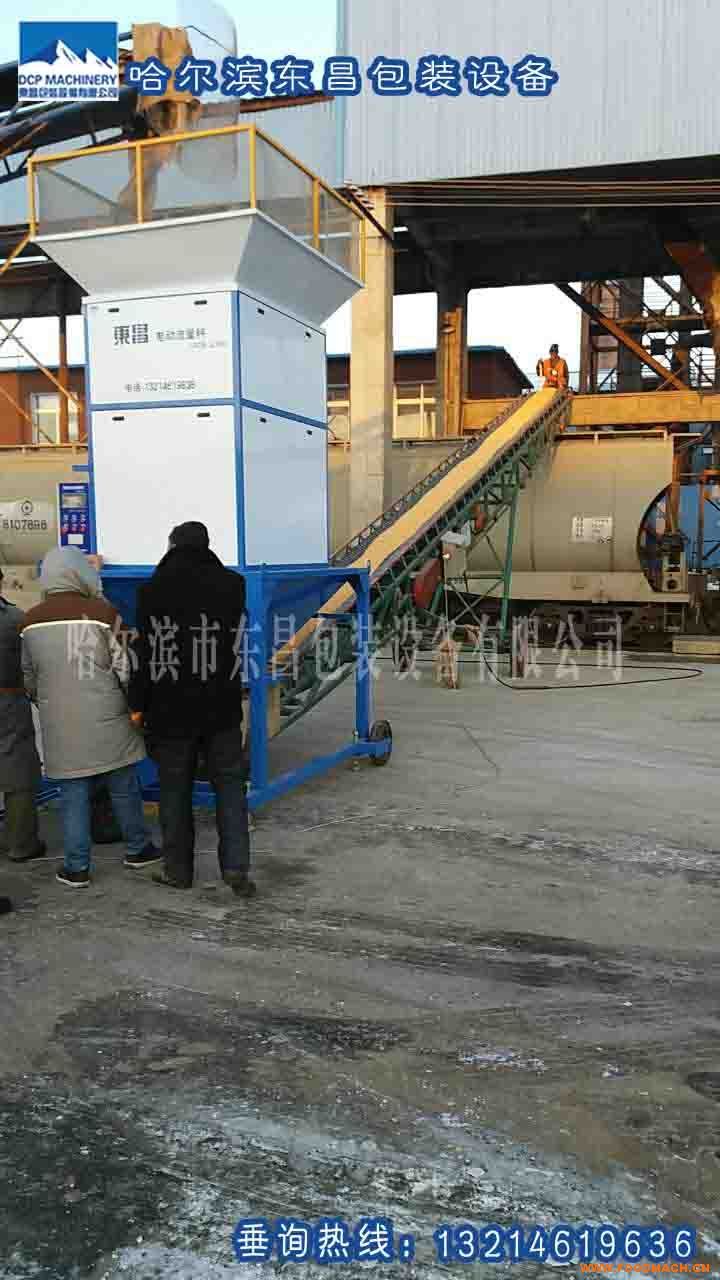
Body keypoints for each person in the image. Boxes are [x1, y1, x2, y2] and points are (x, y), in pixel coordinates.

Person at [20, 547, 160, 888]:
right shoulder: (102, 612)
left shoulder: (30, 621)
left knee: (72, 797)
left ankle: (77, 867)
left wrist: (48, 703)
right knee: (124, 787)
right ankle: (138, 849)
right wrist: (134, 706)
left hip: (60, 723)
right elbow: (126, 666)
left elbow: (29, 676)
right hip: (109, 717)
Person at [128, 522, 254, 897]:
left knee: (174, 790)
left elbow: (146, 654)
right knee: (230, 787)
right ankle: (236, 867)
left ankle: (178, 871)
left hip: (171, 712)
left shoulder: (151, 591)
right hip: (222, 708)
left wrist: (138, 704)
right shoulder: (233, 585)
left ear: (172, 546)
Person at [0, 569, 45, 865]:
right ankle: (21, 844)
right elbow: (31, 665)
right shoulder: (15, 619)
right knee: (18, 771)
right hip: (9, 700)